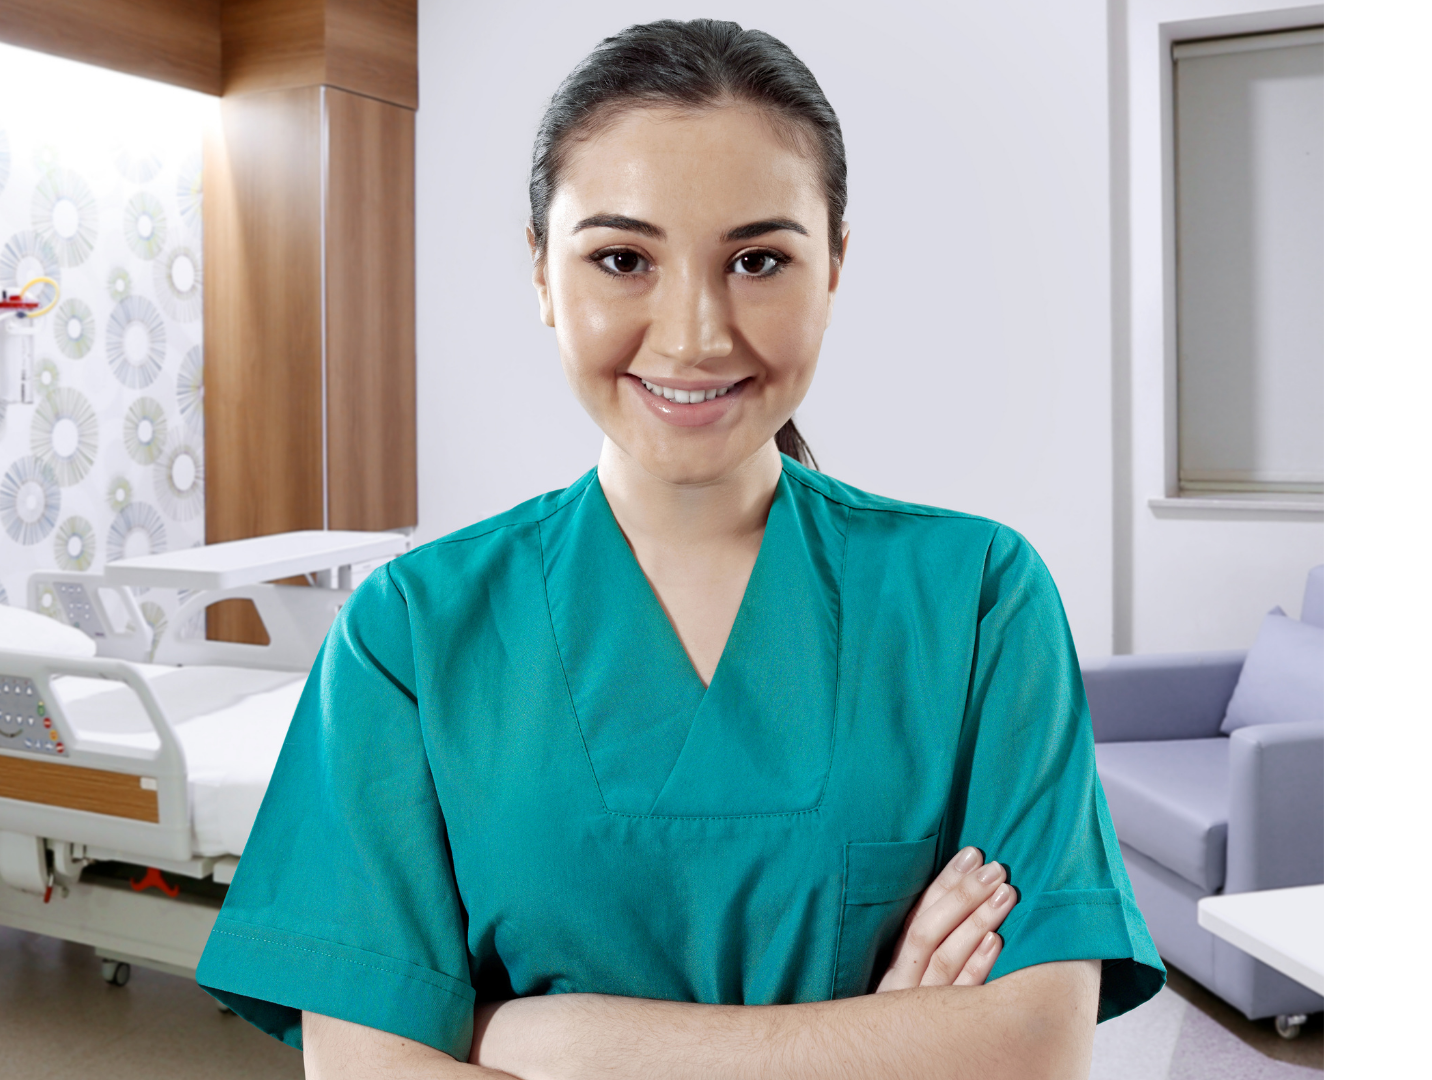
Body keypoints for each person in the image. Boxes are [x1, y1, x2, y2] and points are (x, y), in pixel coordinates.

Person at [195, 19, 1163, 1078]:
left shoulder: (977, 599)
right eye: (622, 259)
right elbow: (366, 1069)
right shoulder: (411, 635)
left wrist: (538, 1038)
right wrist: (883, 1042)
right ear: (540, 272)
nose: (697, 333)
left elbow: (1031, 1050)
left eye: (757, 260)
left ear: (835, 265)